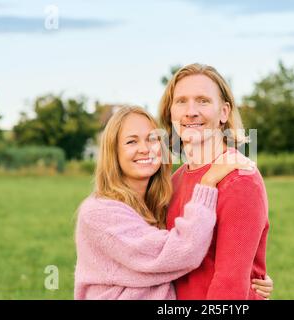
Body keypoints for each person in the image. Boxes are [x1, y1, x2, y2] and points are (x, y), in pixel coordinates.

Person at [74, 106, 266, 299]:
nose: (144, 149)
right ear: (113, 153)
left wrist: (246, 276)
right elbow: (184, 252)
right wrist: (208, 182)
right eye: (131, 141)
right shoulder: (99, 212)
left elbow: (190, 260)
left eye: (152, 139)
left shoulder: (159, 203)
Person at [160, 63, 271, 299]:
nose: (190, 111)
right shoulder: (176, 179)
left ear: (224, 112)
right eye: (181, 101)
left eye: (203, 100)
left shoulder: (240, 178)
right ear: (171, 113)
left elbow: (230, 285)